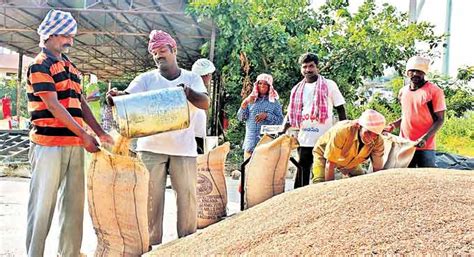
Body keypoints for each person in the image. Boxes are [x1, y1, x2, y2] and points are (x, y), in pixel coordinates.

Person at [106, 30, 210, 246]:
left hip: (183, 148)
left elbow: (205, 103)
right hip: (150, 147)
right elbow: (128, 97)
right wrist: (115, 98)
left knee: (187, 197)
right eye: (154, 52)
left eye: (163, 50)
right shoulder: (146, 79)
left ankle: (186, 243)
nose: (159, 55)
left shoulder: (191, 78)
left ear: (174, 50)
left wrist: (188, 92)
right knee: (150, 198)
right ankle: (151, 245)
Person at [26, 10, 113, 257]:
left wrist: (99, 132)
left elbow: (80, 102)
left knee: (74, 206)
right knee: (43, 205)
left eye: (71, 36)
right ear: (50, 34)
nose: (70, 41)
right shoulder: (39, 64)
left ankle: (69, 253)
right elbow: (53, 105)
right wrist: (84, 136)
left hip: (75, 144)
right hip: (49, 144)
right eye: (66, 36)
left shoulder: (70, 67)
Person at [284, 53, 347, 188]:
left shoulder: (329, 85)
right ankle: (299, 199)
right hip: (305, 137)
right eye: (304, 67)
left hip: (324, 138)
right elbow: (290, 114)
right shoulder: (296, 89)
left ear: (317, 67)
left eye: (311, 66)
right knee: (302, 171)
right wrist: (282, 130)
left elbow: (340, 108)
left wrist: (344, 130)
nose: (308, 70)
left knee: (322, 173)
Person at [384, 56, 446, 167]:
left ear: (424, 73)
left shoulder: (434, 91)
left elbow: (440, 119)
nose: (415, 74)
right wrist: (392, 126)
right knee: (406, 178)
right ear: (407, 73)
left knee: (427, 178)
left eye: (419, 71)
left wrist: (424, 138)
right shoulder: (403, 92)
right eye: (412, 71)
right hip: (405, 144)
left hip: (426, 147)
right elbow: (407, 116)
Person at [312, 109, 386, 182]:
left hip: (349, 159)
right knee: (319, 183)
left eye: (375, 135)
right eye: (368, 132)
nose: (370, 138)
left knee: (361, 181)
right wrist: (330, 189)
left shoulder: (378, 142)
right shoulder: (343, 131)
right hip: (324, 154)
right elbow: (330, 163)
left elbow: (377, 169)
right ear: (359, 126)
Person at [237, 73, 284, 159]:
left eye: (266, 84)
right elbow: (241, 118)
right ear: (256, 85)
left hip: (267, 144)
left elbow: (280, 121)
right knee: (248, 170)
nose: (262, 86)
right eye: (260, 83)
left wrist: (267, 116)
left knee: (264, 170)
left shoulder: (274, 102)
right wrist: (244, 104)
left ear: (270, 86)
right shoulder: (250, 100)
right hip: (250, 143)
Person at [191, 58, 216, 154]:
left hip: (195, 132)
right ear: (206, 75)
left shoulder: (194, 87)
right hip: (193, 134)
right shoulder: (196, 89)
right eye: (210, 75)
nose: (210, 77)